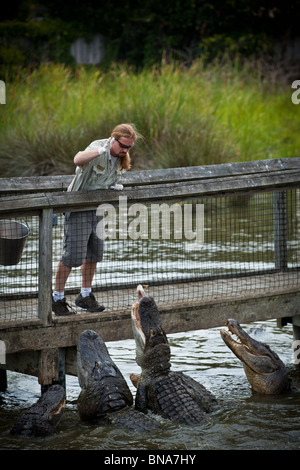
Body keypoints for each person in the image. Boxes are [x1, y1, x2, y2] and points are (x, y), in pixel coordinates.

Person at [52, 123, 140, 316]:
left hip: (98, 209)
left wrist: (114, 185)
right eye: (123, 146)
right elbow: (77, 159)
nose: (125, 150)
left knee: (94, 253)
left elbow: (106, 177)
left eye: (129, 147)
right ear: (113, 139)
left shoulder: (120, 157)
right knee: (72, 256)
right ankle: (57, 298)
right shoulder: (98, 147)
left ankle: (85, 295)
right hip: (77, 207)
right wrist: (100, 150)